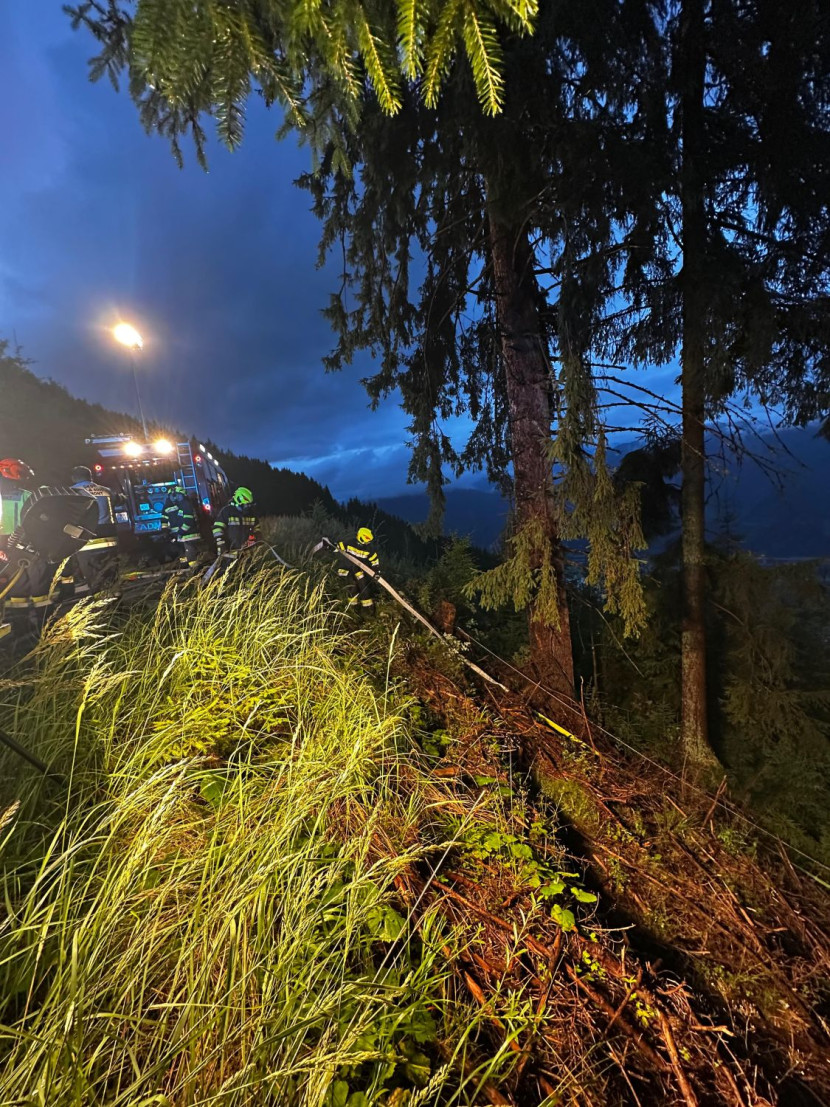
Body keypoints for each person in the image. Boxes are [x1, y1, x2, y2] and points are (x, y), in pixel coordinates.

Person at [70, 465, 119, 591]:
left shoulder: (71, 492)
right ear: (90, 477)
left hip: (86, 535)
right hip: (108, 534)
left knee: (90, 569)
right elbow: (118, 500)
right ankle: (115, 594)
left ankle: (99, 597)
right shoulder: (105, 490)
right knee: (110, 567)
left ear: (74, 478)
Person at [337, 526, 380, 614]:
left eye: (369, 540)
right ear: (360, 536)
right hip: (346, 570)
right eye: (366, 539)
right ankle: (355, 609)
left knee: (361, 587)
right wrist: (330, 546)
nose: (367, 542)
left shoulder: (368, 549)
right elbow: (338, 547)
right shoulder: (350, 542)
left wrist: (376, 571)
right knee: (353, 586)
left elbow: (375, 561)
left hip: (358, 571)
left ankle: (363, 609)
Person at [162, 483, 202, 567]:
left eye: (178, 495)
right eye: (174, 495)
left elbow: (188, 521)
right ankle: (185, 567)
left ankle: (195, 570)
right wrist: (166, 531)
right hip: (181, 535)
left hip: (188, 534)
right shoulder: (179, 505)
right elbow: (165, 520)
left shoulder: (185, 504)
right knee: (183, 554)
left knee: (190, 555)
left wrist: (181, 531)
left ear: (183, 495)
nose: (176, 497)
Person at [212, 487, 260, 556]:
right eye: (246, 505)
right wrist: (220, 543)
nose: (248, 507)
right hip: (228, 551)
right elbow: (217, 528)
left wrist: (254, 538)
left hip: (246, 552)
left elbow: (257, 528)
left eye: (249, 505)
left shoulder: (251, 514)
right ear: (239, 501)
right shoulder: (227, 512)